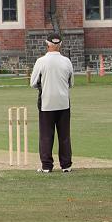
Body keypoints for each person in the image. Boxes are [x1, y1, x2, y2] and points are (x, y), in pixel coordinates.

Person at [30, 34, 75, 173]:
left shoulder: (41, 61)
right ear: (60, 45)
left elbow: (33, 83)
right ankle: (66, 165)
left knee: (46, 135)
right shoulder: (66, 61)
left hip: (47, 102)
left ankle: (46, 166)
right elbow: (71, 83)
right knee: (64, 135)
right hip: (63, 102)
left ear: (47, 44)